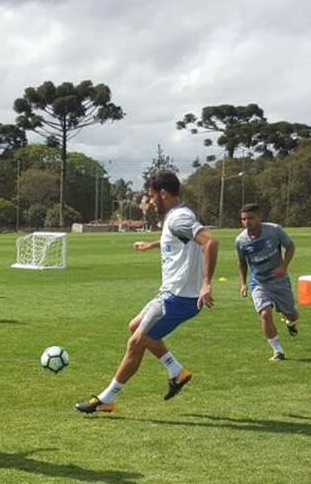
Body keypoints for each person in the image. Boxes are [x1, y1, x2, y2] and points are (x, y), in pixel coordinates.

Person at [75, 170, 218, 413]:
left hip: (178, 297)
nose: (150, 202)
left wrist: (206, 282)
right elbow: (178, 240)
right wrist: (151, 245)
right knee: (135, 327)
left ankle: (107, 398)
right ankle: (177, 371)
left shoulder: (177, 218)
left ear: (163, 193)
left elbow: (210, 242)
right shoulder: (177, 217)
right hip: (172, 294)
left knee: (136, 341)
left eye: (151, 197)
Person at [235, 203, 299, 361]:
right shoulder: (240, 240)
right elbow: (242, 262)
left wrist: (284, 266)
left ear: (260, 217)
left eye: (250, 218)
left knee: (292, 313)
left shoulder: (274, 230)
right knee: (264, 313)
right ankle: (278, 351)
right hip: (259, 282)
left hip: (279, 280)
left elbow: (290, 246)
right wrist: (243, 284)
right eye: (243, 219)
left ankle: (290, 322)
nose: (246, 222)